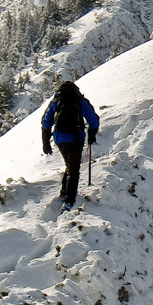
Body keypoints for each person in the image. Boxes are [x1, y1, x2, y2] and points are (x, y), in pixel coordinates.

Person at [41, 81, 100, 212]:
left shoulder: (57, 101)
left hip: (60, 138)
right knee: (74, 170)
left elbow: (45, 122)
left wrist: (45, 142)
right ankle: (69, 200)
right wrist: (92, 135)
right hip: (76, 138)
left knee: (69, 164)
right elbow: (94, 120)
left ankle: (64, 192)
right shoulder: (80, 101)